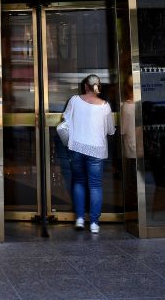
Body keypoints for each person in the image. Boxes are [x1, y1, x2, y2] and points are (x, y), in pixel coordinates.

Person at [63, 74, 115, 234]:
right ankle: (94, 223)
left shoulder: (74, 100)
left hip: (77, 147)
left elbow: (65, 119)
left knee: (78, 181)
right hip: (96, 149)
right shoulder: (105, 106)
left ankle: (79, 218)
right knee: (95, 185)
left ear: (85, 86)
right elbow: (110, 130)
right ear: (98, 87)